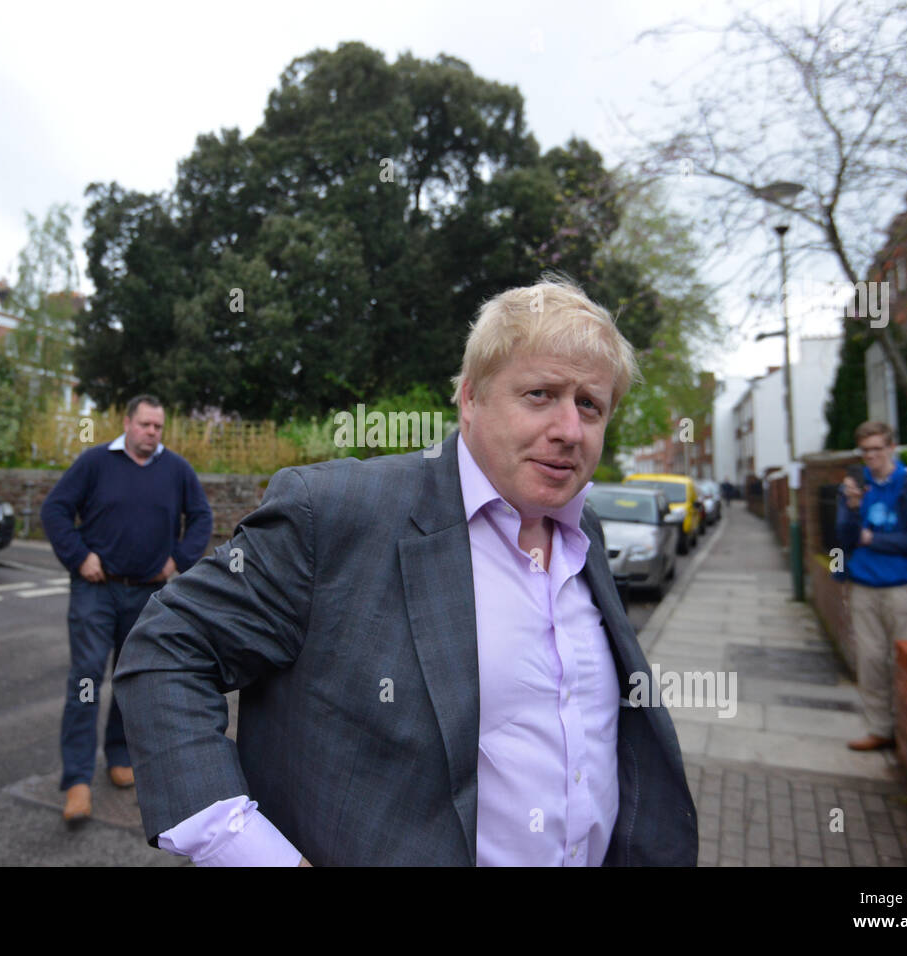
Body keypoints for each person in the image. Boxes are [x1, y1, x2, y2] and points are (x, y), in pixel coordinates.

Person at [114, 277, 698, 866]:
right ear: (470, 398)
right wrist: (251, 852)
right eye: (541, 394)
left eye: (589, 405)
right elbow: (167, 648)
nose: (569, 430)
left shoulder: (583, 532)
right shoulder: (338, 513)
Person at [40, 395, 212, 825]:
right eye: (145, 425)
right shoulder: (95, 462)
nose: (152, 433)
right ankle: (77, 779)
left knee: (129, 677)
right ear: (127, 423)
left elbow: (203, 518)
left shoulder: (176, 470)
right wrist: (79, 556)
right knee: (86, 676)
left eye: (158, 426)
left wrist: (179, 559)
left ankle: (119, 755)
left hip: (148, 592)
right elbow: (55, 509)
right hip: (96, 590)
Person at [835, 420, 907, 751]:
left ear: (892, 448)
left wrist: (872, 538)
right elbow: (841, 539)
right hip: (864, 587)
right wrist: (851, 511)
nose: (871, 456)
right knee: (871, 661)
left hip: (902, 588)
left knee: (905, 665)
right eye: (865, 450)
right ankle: (880, 728)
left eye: (877, 449)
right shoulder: (854, 489)